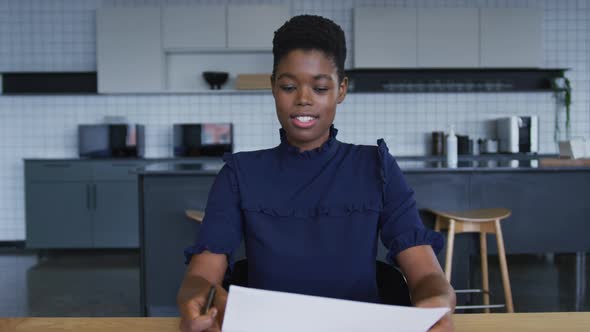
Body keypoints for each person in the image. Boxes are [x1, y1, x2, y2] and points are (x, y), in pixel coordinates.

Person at [177, 15, 456, 332]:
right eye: (288, 86)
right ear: (273, 88)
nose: (304, 99)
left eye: (320, 87)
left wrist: (437, 298)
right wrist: (197, 297)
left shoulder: (376, 166)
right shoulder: (239, 173)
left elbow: (425, 272)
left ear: (341, 89)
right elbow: (203, 272)